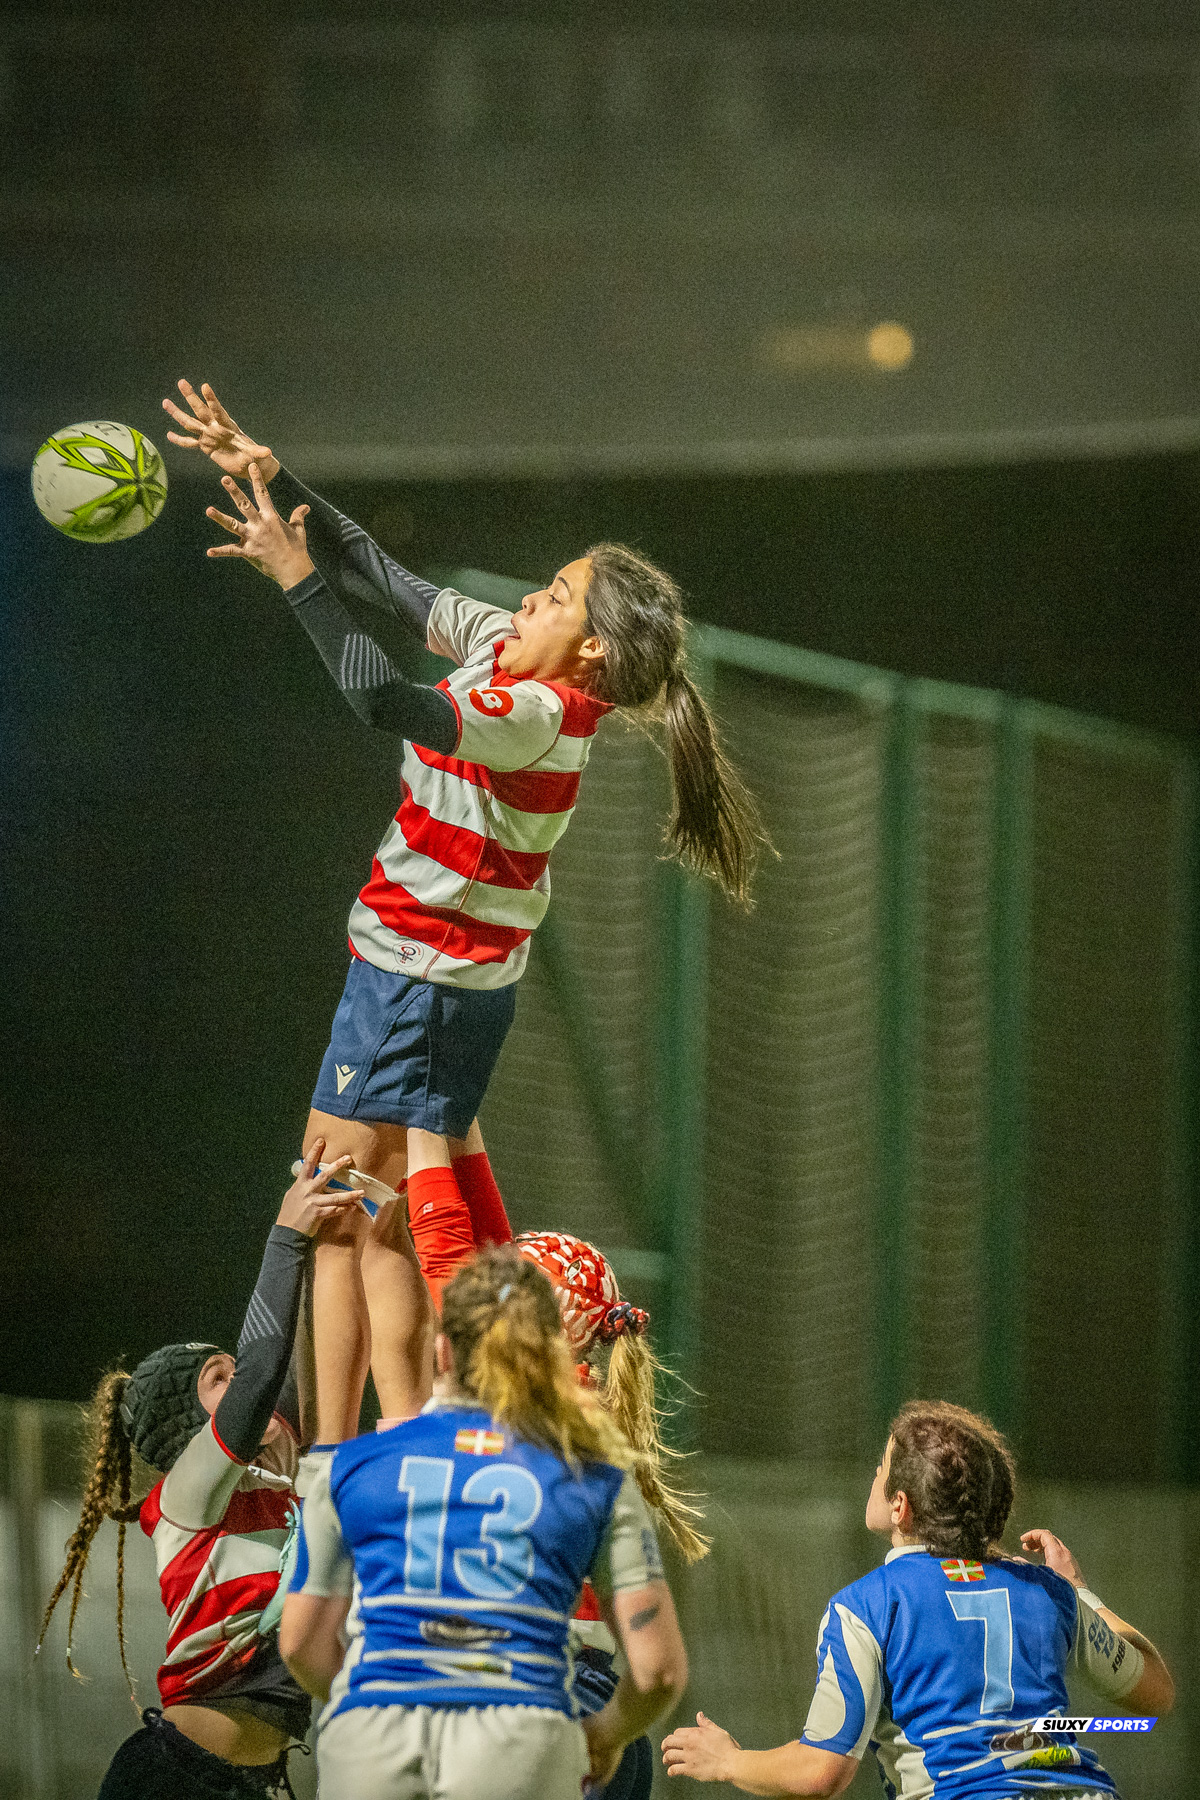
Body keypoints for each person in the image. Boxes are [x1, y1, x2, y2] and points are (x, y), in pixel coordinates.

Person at [161, 378, 767, 1449]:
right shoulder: (507, 647)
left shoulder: (533, 711)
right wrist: (269, 471)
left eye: (558, 597)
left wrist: (293, 576)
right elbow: (388, 579)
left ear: (590, 655)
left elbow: (381, 698)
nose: (534, 598)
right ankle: (363, 1449)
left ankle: (356, 1457)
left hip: (421, 980)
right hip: (424, 974)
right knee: (355, 1215)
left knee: (335, 1208)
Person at [278, 1246, 689, 1800]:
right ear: (550, 1356)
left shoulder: (354, 1466)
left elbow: (300, 1643)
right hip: (520, 1734)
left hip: (373, 1735)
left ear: (442, 1352)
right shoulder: (593, 1477)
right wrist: (603, 1733)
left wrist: (369, 1694)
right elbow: (658, 1672)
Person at [39, 1144, 363, 1800]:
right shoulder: (185, 1498)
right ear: (192, 1435)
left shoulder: (284, 1490)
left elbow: (309, 1356)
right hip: (173, 1780)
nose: (244, 1381)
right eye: (220, 1377)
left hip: (252, 1782)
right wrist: (288, 1234)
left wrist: (349, 1240)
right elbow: (265, 1369)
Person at [661, 1399, 1174, 1797]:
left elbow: (821, 1772)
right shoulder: (1049, 1593)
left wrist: (729, 1761)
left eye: (882, 1467)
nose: (874, 1475)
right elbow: (1156, 1692)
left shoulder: (868, 1606)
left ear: (901, 1507)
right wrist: (1083, 1592)